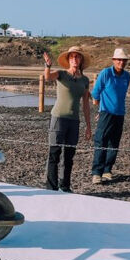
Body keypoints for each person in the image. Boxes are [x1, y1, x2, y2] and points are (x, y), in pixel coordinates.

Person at [43, 46, 92, 192]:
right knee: (54, 153)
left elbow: (85, 105)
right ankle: (51, 187)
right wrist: (47, 66)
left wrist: (88, 126)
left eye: (77, 57)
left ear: (81, 60)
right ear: (68, 60)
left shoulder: (85, 80)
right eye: (72, 57)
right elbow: (47, 77)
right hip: (58, 118)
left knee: (69, 156)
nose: (75, 59)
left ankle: (65, 186)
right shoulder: (61, 74)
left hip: (74, 121)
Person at [91, 48, 130, 183]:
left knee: (114, 143)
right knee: (101, 140)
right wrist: (100, 110)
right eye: (119, 59)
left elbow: (122, 95)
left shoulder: (127, 76)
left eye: (123, 60)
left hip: (120, 113)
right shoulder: (106, 73)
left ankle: (107, 170)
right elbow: (95, 93)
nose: (121, 62)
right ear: (114, 60)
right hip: (106, 113)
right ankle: (97, 172)